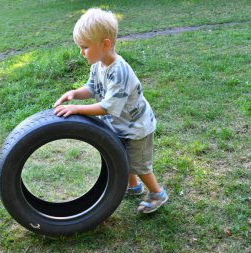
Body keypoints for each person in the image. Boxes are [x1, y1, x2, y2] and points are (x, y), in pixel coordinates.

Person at [53, 8, 168, 213]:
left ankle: (157, 193)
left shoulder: (120, 71)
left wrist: (77, 109)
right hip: (119, 124)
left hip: (137, 127)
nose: (81, 52)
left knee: (138, 164)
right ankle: (133, 187)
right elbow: (91, 88)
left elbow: (106, 107)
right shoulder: (98, 65)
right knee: (122, 157)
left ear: (105, 44)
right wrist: (74, 93)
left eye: (85, 47)